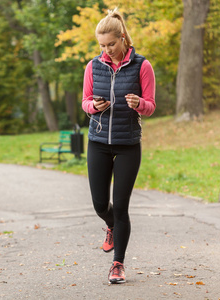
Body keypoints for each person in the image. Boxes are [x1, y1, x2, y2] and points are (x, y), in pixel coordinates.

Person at [81, 8, 156, 284]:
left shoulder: (142, 66)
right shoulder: (93, 66)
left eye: (111, 44)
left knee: (121, 206)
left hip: (127, 144)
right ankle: (110, 225)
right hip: (98, 142)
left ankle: (118, 264)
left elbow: (150, 106)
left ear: (122, 38)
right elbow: (85, 102)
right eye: (102, 45)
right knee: (101, 204)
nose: (107, 50)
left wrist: (140, 104)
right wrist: (94, 106)